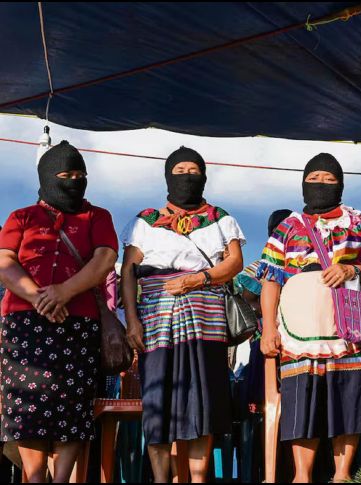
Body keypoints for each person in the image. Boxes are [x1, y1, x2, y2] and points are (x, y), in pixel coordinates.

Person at [252, 153, 361, 483]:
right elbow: (270, 280)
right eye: (314, 178)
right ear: (304, 184)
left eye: (329, 179)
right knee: (303, 399)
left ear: (340, 185)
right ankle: (302, 476)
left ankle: (342, 475)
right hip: (298, 328)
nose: (321, 184)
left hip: (349, 328)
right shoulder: (287, 227)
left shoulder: (357, 222)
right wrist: (268, 328)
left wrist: (352, 269)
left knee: (349, 396)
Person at [120, 146, 246, 483]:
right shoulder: (145, 221)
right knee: (159, 399)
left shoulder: (221, 218)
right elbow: (128, 271)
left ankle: (198, 478)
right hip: (156, 318)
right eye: (179, 171)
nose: (186, 177)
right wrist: (131, 321)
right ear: (167, 176)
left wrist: (197, 279)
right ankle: (162, 479)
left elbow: (234, 262)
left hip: (207, 318)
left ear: (203, 176)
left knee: (203, 400)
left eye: (193, 171)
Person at [0, 141, 118, 482]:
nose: (74, 181)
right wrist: (38, 297)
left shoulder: (98, 216)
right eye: (66, 175)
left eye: (80, 174)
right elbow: (5, 260)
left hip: (78, 323)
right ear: (48, 177)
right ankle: (36, 477)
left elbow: (105, 259)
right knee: (26, 405)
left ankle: (62, 478)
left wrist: (65, 292)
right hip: (23, 323)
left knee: (72, 404)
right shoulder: (21, 217)